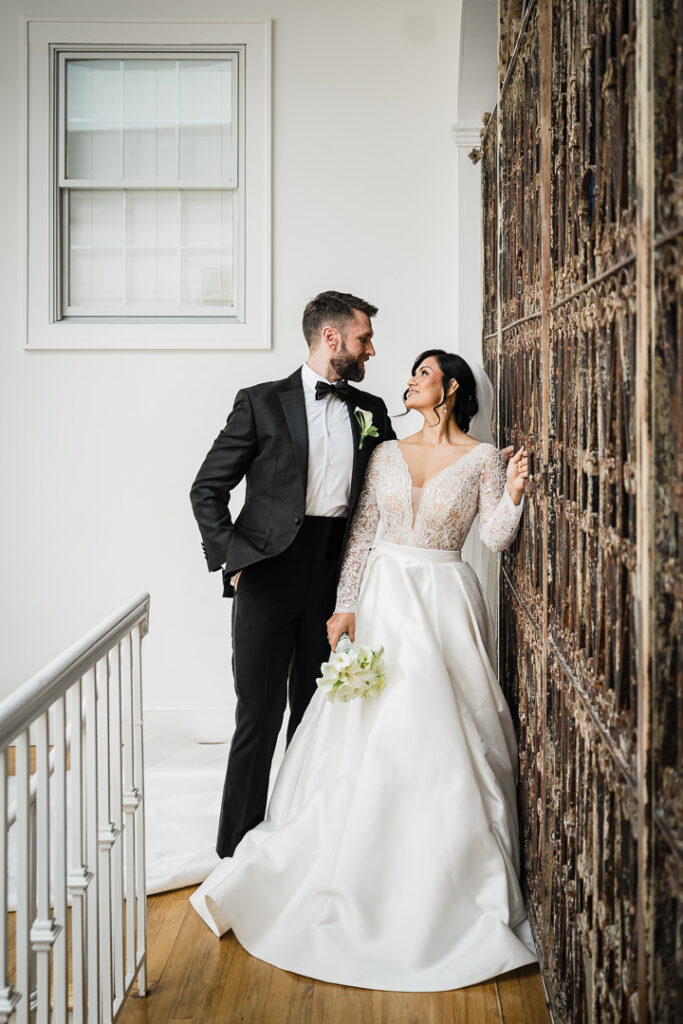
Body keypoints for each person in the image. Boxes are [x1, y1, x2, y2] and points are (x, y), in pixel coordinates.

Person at [189, 349, 537, 991]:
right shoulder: (383, 453)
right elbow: (362, 532)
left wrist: (513, 495)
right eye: (408, 372)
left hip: (444, 601)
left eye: (422, 373)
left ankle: (441, 877)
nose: (406, 380)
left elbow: (492, 538)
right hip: (381, 597)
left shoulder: (485, 459)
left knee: (441, 733)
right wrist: (346, 606)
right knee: (355, 726)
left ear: (451, 387)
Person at [190, 291, 395, 858]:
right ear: (332, 340)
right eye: (363, 339)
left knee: (316, 716)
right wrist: (234, 555)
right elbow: (207, 488)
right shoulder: (260, 403)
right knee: (257, 713)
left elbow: (398, 483)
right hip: (267, 572)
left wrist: (469, 460)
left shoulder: (372, 411)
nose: (371, 350)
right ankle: (234, 850)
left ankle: (299, 845)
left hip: (335, 574)